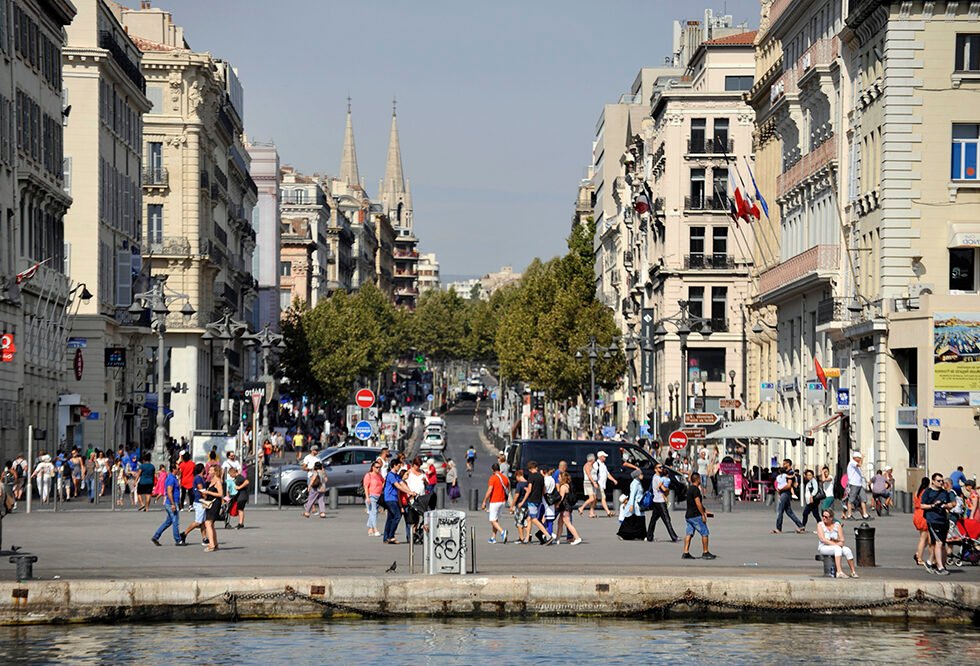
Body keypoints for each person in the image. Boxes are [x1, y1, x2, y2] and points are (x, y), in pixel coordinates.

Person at [921, 472, 956, 575]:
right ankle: (940, 567)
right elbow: (922, 505)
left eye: (942, 481)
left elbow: (952, 504)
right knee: (939, 542)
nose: (941, 483)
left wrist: (945, 506)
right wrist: (932, 506)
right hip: (932, 520)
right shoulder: (928, 492)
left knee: (940, 543)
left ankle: (930, 562)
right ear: (933, 481)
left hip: (943, 520)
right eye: (939, 481)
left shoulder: (945, 492)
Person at [516, 461, 553, 544]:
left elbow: (529, 490)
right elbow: (543, 489)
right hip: (538, 499)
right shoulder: (541, 476)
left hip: (532, 499)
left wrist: (522, 501)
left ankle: (548, 535)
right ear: (536, 467)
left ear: (529, 469)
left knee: (533, 519)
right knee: (529, 519)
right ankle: (527, 538)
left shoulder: (531, 477)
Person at [682, 472, 715, 560]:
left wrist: (705, 511)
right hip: (695, 515)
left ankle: (686, 552)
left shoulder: (689, 489)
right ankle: (705, 552)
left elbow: (694, 503)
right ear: (697, 479)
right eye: (699, 478)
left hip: (688, 515)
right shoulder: (696, 490)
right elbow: (698, 503)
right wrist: (703, 514)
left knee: (689, 533)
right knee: (705, 532)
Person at [817, 509, 858, 578]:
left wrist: (836, 540)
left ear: (831, 518)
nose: (824, 518)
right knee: (837, 549)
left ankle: (853, 571)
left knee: (847, 550)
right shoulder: (820, 525)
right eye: (823, 516)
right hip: (824, 547)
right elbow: (823, 539)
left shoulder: (837, 525)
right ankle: (839, 572)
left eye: (826, 517)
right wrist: (835, 544)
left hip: (836, 545)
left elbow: (842, 540)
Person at [382, 460, 413, 544]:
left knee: (390, 518)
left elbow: (402, 484)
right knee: (397, 515)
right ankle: (391, 536)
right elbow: (398, 486)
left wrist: (410, 491)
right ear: (394, 465)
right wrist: (409, 492)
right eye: (398, 466)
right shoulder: (391, 475)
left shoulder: (396, 476)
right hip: (390, 498)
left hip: (394, 498)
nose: (399, 467)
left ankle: (386, 538)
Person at [646, 463, 678, 542]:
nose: (661, 468)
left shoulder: (656, 477)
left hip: (656, 500)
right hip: (660, 501)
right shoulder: (658, 478)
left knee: (653, 519)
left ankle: (649, 536)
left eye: (662, 467)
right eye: (659, 467)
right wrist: (667, 490)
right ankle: (673, 536)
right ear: (655, 469)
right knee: (666, 519)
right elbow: (663, 489)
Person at [151, 461, 181, 546]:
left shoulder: (174, 478)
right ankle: (178, 540)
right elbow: (169, 491)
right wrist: (173, 504)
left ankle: (156, 536)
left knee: (168, 521)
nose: (179, 470)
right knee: (175, 520)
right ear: (173, 469)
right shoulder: (171, 478)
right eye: (177, 468)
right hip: (171, 502)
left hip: (173, 501)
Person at [772, 459, 806, 534]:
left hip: (785, 493)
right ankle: (801, 526)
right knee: (789, 512)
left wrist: (780, 489)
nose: (783, 465)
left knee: (779, 511)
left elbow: (789, 485)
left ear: (788, 464)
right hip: (784, 493)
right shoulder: (786, 473)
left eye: (784, 464)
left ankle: (778, 528)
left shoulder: (790, 472)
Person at [179, 464, 208, 546]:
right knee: (198, 522)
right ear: (202, 470)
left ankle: (204, 538)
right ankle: (184, 534)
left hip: (201, 501)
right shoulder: (198, 478)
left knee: (203, 522)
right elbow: (201, 489)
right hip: (200, 501)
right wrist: (206, 496)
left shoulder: (199, 478)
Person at [481, 462, 510, 544]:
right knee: (495, 520)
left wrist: (484, 501)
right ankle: (493, 537)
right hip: (502, 501)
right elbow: (508, 489)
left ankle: (502, 532)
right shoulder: (505, 478)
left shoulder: (493, 478)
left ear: (492, 470)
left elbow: (490, 490)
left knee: (492, 520)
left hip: (495, 501)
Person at [553, 471, 582, 545]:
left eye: (559, 477)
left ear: (562, 478)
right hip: (566, 507)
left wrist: (557, 504)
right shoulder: (567, 485)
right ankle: (557, 539)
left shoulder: (563, 487)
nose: (558, 479)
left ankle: (577, 538)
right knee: (560, 523)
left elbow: (561, 498)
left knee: (567, 523)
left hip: (565, 507)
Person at [199, 465, 224, 552]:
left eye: (211, 470)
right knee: (211, 524)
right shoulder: (211, 481)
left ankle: (211, 545)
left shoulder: (217, 481)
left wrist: (208, 492)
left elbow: (220, 494)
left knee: (208, 523)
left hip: (215, 503)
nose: (209, 472)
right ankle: (215, 544)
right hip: (210, 503)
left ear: (215, 472)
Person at [617, 470, 646, 541]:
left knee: (636, 520)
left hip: (638, 504)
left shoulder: (638, 482)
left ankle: (639, 535)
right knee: (638, 519)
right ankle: (642, 535)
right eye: (641, 474)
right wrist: (631, 505)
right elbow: (632, 495)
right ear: (637, 475)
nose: (642, 475)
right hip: (636, 504)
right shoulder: (635, 483)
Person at [844, 451, 870, 520]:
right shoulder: (852, 462)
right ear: (854, 458)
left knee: (863, 499)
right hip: (853, 484)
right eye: (858, 458)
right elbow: (859, 464)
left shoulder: (856, 464)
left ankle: (865, 514)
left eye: (860, 458)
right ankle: (849, 515)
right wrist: (862, 459)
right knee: (851, 500)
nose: (859, 459)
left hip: (859, 484)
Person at [912, 476, 931, 567]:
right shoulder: (926, 492)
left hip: (917, 514)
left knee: (925, 538)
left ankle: (918, 554)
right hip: (923, 514)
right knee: (924, 538)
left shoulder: (917, 492)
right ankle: (919, 558)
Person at [363, 459, 384, 536]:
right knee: (374, 512)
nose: (378, 469)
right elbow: (365, 486)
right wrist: (367, 497)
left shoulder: (379, 475)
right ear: (373, 467)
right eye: (377, 467)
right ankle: (375, 529)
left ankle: (370, 529)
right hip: (371, 495)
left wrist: (382, 487)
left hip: (378, 496)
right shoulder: (368, 475)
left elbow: (383, 481)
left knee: (373, 513)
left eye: (379, 467)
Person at [594, 451, 617, 517]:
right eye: (604, 456)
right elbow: (594, 473)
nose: (605, 458)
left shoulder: (603, 465)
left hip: (602, 485)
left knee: (595, 499)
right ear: (600, 457)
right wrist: (595, 482)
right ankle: (608, 512)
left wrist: (614, 480)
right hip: (599, 484)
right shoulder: (596, 464)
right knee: (603, 498)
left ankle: (590, 510)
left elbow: (607, 474)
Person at [578, 453, 600, 518]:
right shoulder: (587, 465)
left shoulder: (593, 465)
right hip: (588, 483)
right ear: (592, 459)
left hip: (593, 482)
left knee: (595, 498)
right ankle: (581, 507)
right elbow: (589, 475)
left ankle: (591, 511)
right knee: (591, 498)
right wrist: (594, 483)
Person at [511, 468, 530, 544]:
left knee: (519, 522)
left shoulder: (519, 485)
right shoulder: (528, 483)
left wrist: (512, 505)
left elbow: (516, 495)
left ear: (518, 476)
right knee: (525, 522)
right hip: (527, 505)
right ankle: (528, 536)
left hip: (520, 505)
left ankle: (521, 538)